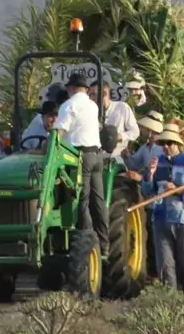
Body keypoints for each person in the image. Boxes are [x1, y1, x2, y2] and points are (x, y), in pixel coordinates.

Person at [142, 123, 184, 293]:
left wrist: (177, 190)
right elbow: (148, 191)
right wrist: (149, 175)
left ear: (178, 144)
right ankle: (169, 299)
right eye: (163, 144)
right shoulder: (157, 162)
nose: (166, 147)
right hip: (160, 218)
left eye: (170, 143)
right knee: (165, 264)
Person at [55, 71, 107, 253]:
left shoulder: (68, 106)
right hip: (96, 156)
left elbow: (58, 135)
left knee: (81, 200)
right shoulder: (93, 106)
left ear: (70, 88)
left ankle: (88, 245)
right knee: (98, 201)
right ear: (85, 89)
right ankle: (104, 245)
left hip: (80, 157)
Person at [101, 83, 140, 156]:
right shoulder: (90, 110)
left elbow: (135, 132)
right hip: (96, 159)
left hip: (116, 158)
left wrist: (119, 136)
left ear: (104, 94)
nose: (90, 98)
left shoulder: (122, 107)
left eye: (93, 94)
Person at [125, 111, 165, 179]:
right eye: (147, 130)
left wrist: (141, 178)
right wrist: (127, 156)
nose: (149, 135)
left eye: (153, 132)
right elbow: (134, 164)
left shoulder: (164, 149)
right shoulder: (145, 148)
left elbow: (163, 174)